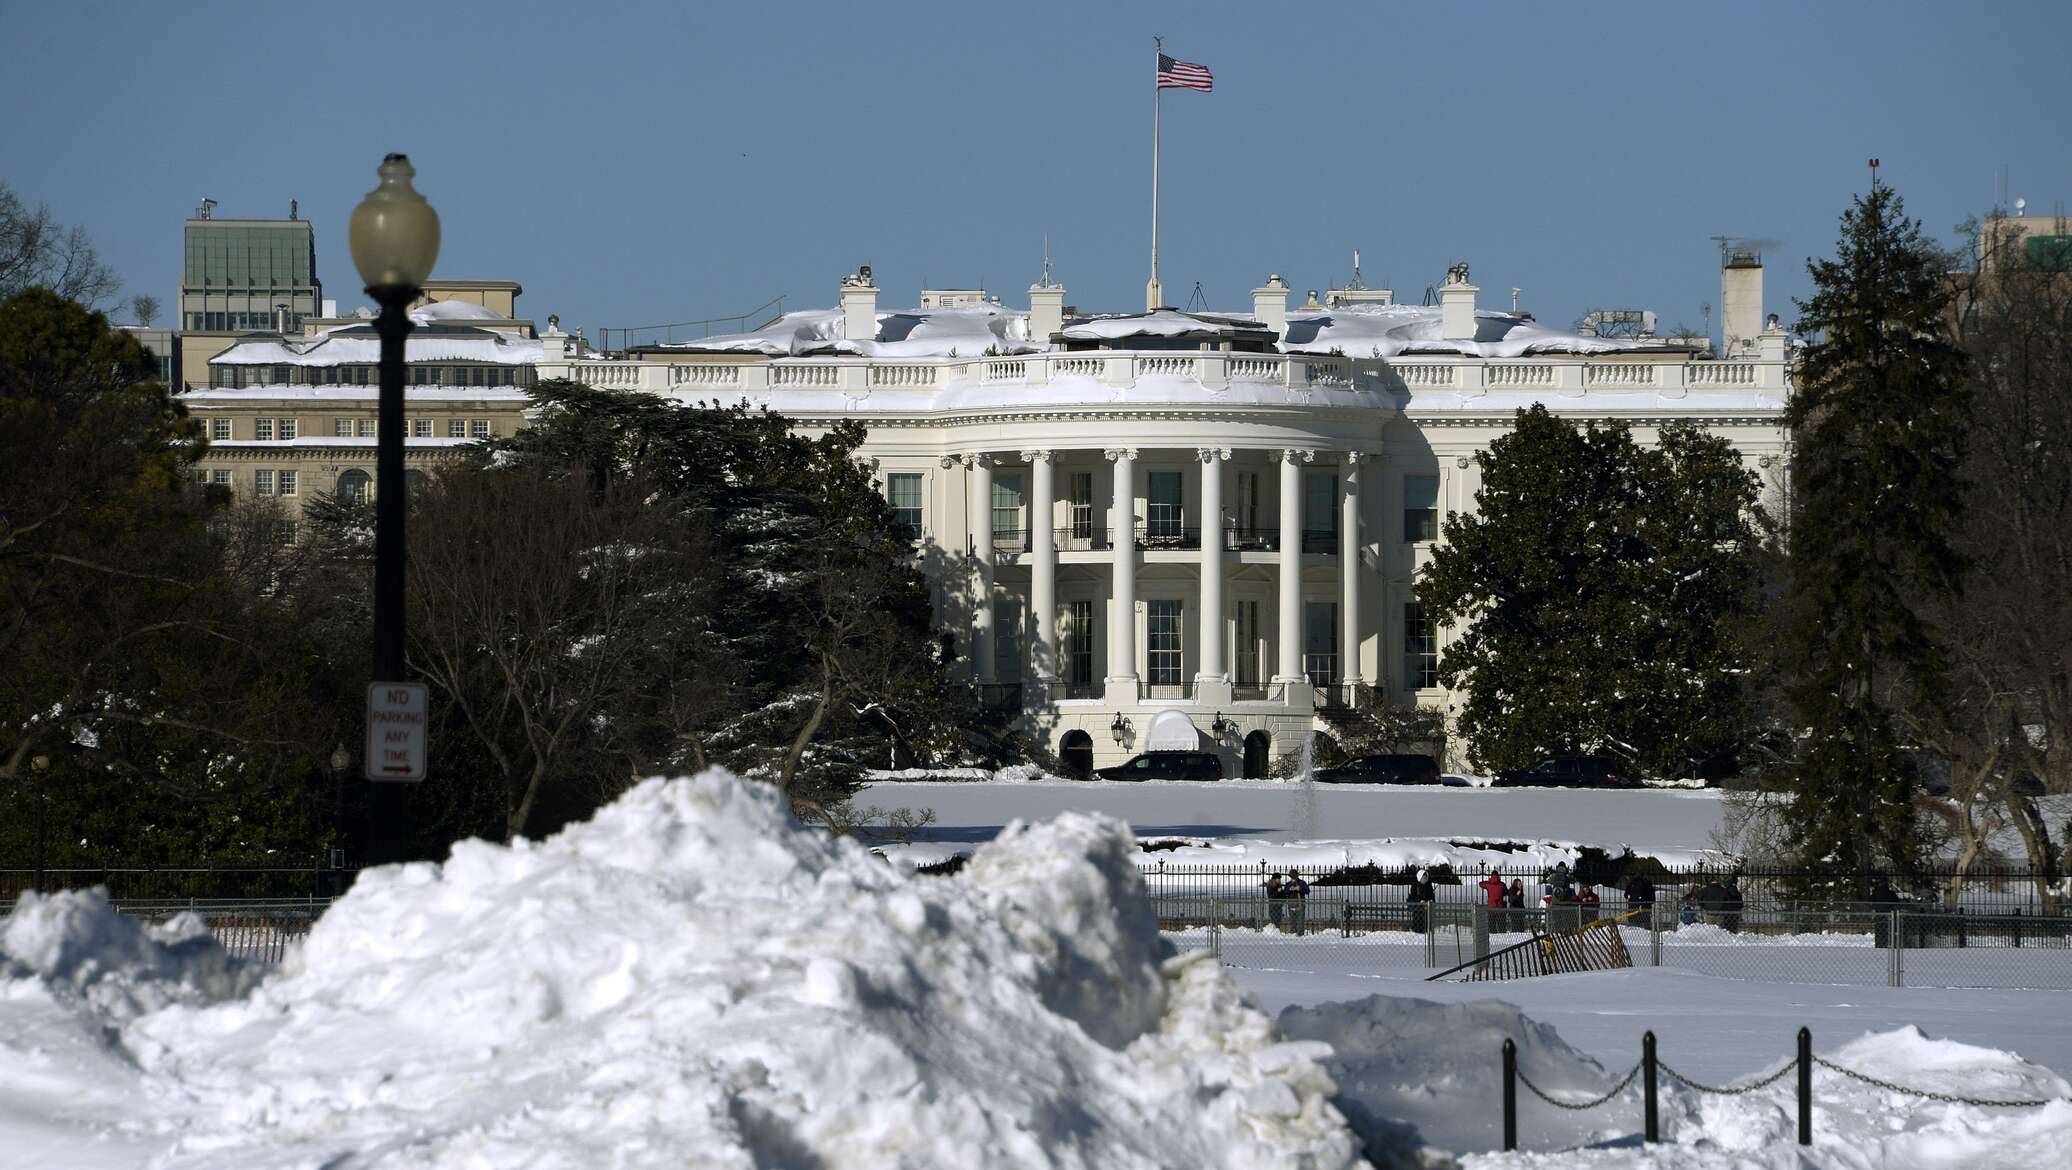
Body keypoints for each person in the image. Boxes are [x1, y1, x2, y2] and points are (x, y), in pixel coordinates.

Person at [1407, 868, 1437, 934]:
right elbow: (1413, 896)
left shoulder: (1428, 885)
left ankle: (1425, 931)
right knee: (1417, 920)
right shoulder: (1415, 885)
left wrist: (1430, 901)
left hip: (1426, 907)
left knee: (1426, 921)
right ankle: (1416, 931)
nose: (1424, 878)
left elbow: (1431, 895)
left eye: (1426, 877)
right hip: (1417, 907)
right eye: (1423, 877)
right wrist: (1420, 901)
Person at [1283, 871, 1310, 936]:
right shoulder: (1288, 884)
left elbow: (1307, 891)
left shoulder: (1302, 883)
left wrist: (1300, 888)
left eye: (1294, 876)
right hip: (1291, 905)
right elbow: (1285, 892)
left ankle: (1300, 935)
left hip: (1300, 905)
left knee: (1300, 922)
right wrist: (1290, 889)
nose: (1293, 878)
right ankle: (1293, 935)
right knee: (1292, 922)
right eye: (1292, 877)